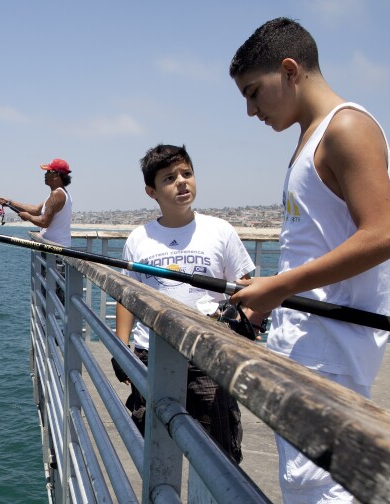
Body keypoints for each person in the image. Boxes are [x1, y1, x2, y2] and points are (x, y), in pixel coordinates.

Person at [228, 17, 390, 502]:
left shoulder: (346, 127)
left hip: (333, 354)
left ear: (289, 70)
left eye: (253, 92)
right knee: (300, 486)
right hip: (306, 348)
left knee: (324, 491)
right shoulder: (308, 138)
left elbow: (384, 235)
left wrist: (279, 287)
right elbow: (322, 246)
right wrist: (269, 292)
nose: (250, 110)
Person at [114, 143, 263, 464]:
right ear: (151, 191)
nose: (181, 182)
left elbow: (246, 288)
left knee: (217, 451)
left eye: (187, 174)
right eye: (169, 178)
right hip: (150, 354)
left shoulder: (220, 231)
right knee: (155, 445)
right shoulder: (138, 239)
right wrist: (121, 345)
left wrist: (243, 325)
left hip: (208, 357)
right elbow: (128, 296)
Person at [0, 158, 73, 246]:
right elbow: (36, 210)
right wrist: (10, 203)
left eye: (48, 172)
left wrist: (27, 216)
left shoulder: (57, 194)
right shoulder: (60, 193)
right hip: (55, 247)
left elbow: (44, 222)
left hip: (56, 250)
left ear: (56, 175)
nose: (45, 174)